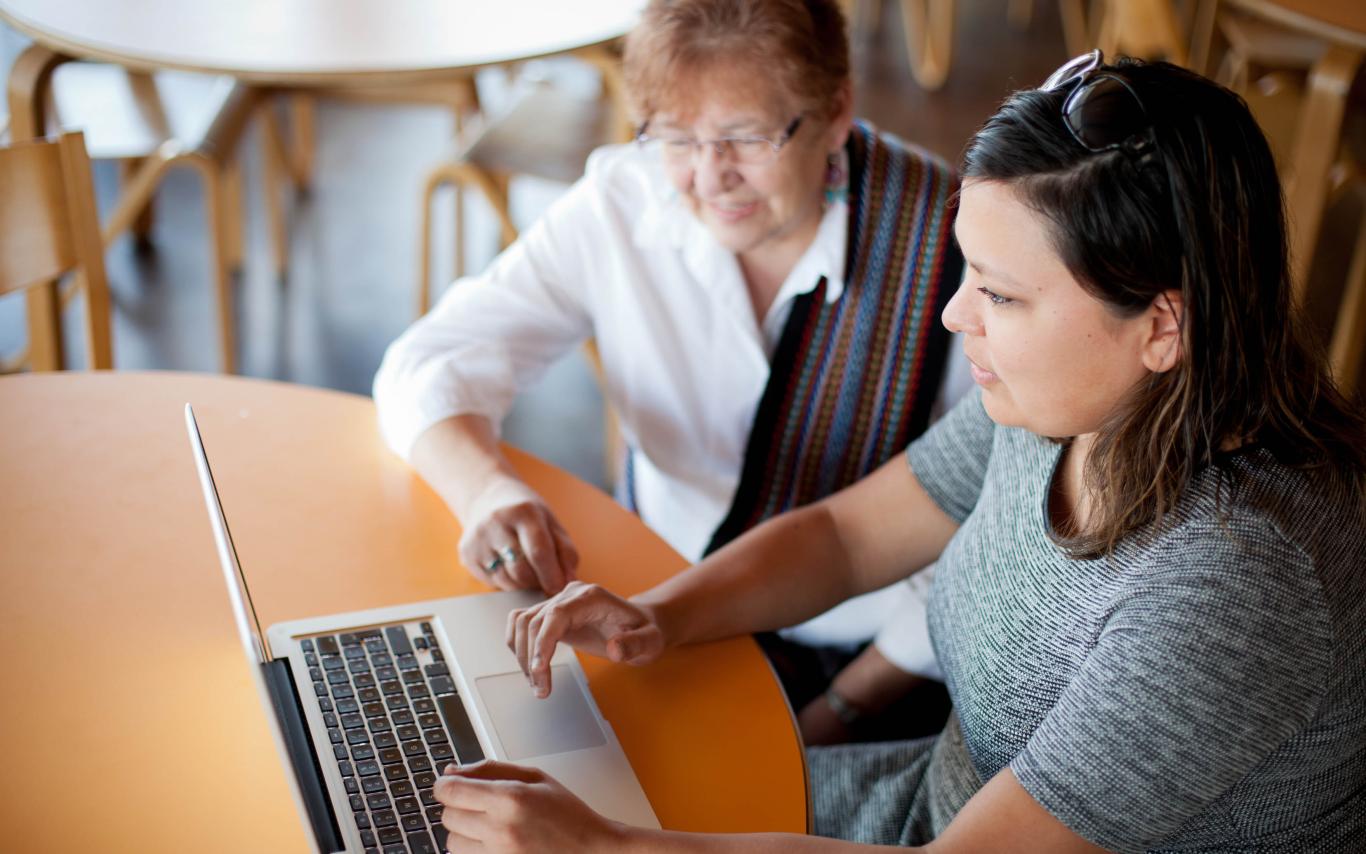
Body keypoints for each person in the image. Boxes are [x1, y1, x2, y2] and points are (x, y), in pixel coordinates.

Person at [428, 53, 1366, 852]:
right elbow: (846, 536)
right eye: (969, 273)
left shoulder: (1236, 584)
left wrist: (604, 849)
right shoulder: (1070, 409)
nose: (958, 314)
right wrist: (656, 617)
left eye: (1001, 295)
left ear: (1164, 325)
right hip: (922, 802)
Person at [373, 0, 963, 727]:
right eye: (678, 138)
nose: (710, 177)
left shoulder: (949, 243)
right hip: (649, 590)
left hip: (868, 650)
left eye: (745, 137)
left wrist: (836, 712)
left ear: (836, 109)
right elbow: (429, 361)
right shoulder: (625, 204)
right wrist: (487, 492)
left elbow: (985, 530)